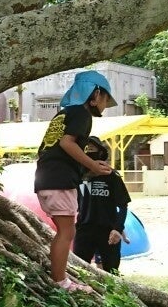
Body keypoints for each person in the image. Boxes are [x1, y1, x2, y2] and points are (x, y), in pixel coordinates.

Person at [34, 70, 116, 292]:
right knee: (66, 232)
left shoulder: (64, 114)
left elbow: (52, 150)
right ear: (96, 94)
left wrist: (88, 168)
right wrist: (93, 165)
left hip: (46, 179)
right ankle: (60, 282)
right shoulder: (82, 114)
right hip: (59, 181)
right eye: (106, 98)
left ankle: (59, 277)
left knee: (64, 231)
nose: (105, 105)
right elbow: (66, 144)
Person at [73, 136, 131, 273]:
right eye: (86, 150)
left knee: (112, 271)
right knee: (79, 270)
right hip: (84, 229)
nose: (89, 152)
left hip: (108, 231)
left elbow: (123, 205)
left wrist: (117, 229)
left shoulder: (111, 176)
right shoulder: (77, 176)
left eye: (92, 149)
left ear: (100, 153)